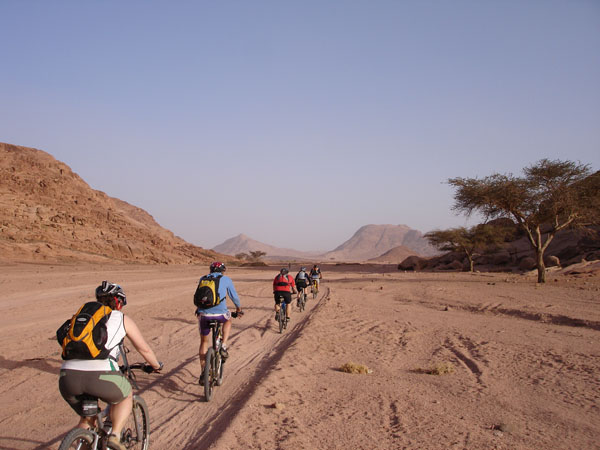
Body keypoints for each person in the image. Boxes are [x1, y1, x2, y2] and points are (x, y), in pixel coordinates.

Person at [59, 281, 162, 450]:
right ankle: (115, 436)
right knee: (126, 394)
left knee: (87, 419)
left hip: (67, 378)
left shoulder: (82, 319)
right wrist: (156, 366)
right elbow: (144, 349)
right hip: (100, 375)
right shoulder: (120, 318)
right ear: (118, 302)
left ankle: (84, 442)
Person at [195, 262, 242, 377]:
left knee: (204, 342)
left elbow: (199, 295)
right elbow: (234, 296)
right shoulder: (226, 279)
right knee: (228, 319)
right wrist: (238, 309)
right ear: (223, 271)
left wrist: (199, 309)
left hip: (204, 314)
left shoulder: (203, 278)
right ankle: (224, 345)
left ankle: (203, 372)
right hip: (220, 314)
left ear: (210, 270)